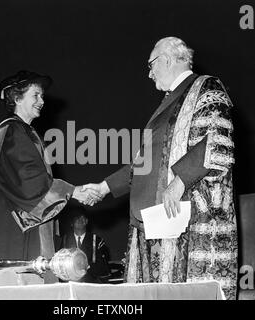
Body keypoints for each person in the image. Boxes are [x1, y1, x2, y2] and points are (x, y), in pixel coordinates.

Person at [83, 37, 237, 299]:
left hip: (184, 215)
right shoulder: (170, 102)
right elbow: (142, 162)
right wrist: (104, 187)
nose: (149, 72)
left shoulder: (205, 86)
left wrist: (179, 181)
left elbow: (216, 138)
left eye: (151, 65)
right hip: (152, 221)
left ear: (166, 59)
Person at [0, 70, 101, 283]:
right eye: (36, 95)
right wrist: (73, 191)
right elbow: (29, 180)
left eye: (42, 96)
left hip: (14, 221)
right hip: (14, 229)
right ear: (17, 98)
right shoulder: (13, 133)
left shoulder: (19, 132)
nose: (41, 101)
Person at [60, 211, 110, 283]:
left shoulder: (96, 240)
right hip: (71, 282)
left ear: (86, 221)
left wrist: (86, 265)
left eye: (83, 218)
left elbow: (102, 266)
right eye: (77, 218)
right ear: (72, 223)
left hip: (91, 282)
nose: (80, 220)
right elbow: (61, 264)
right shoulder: (65, 240)